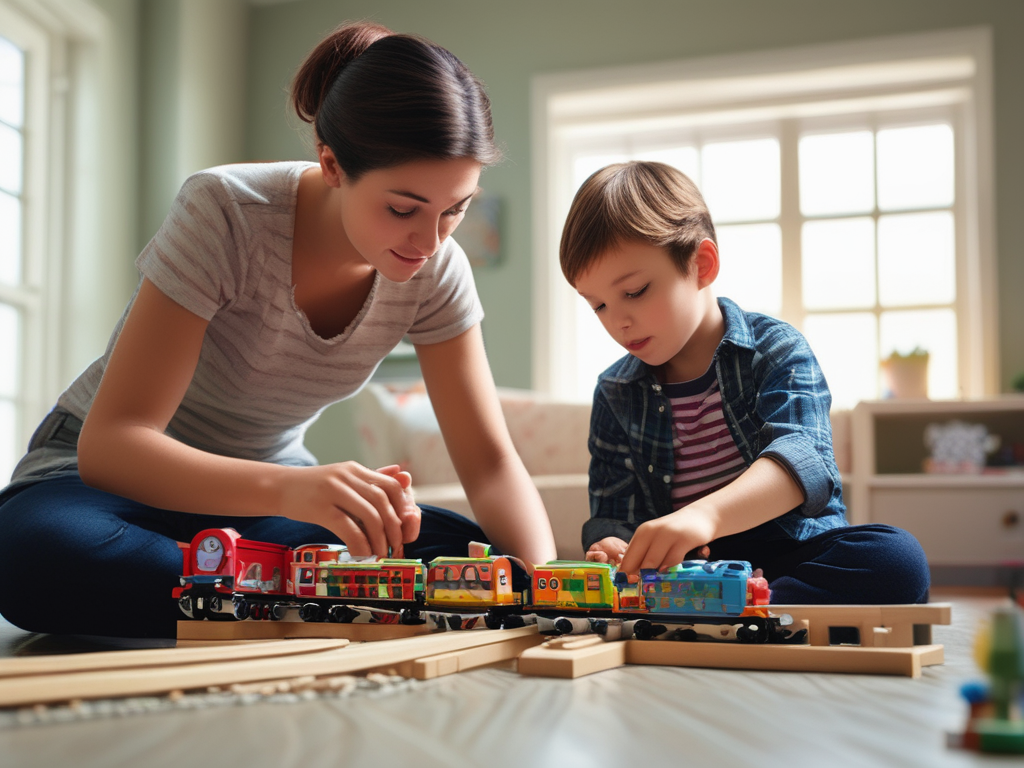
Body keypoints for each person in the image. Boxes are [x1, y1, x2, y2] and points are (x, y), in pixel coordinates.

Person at [0, 21, 556, 639]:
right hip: (104, 487)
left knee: (463, 556)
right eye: (403, 209)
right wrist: (292, 489)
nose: (430, 242)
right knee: (33, 555)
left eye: (456, 208)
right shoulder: (226, 211)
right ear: (332, 164)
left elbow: (488, 463)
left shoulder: (438, 270)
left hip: (260, 506)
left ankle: (252, 602)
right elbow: (114, 445)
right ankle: (295, 604)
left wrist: (547, 590)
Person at [559, 161, 929, 605]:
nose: (618, 320)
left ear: (701, 264)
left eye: (634, 291)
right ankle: (731, 613)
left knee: (896, 558)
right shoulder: (615, 391)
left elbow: (802, 463)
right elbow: (612, 516)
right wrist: (613, 546)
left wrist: (702, 516)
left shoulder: (775, 348)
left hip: (789, 553)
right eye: (597, 304)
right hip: (688, 573)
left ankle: (751, 608)